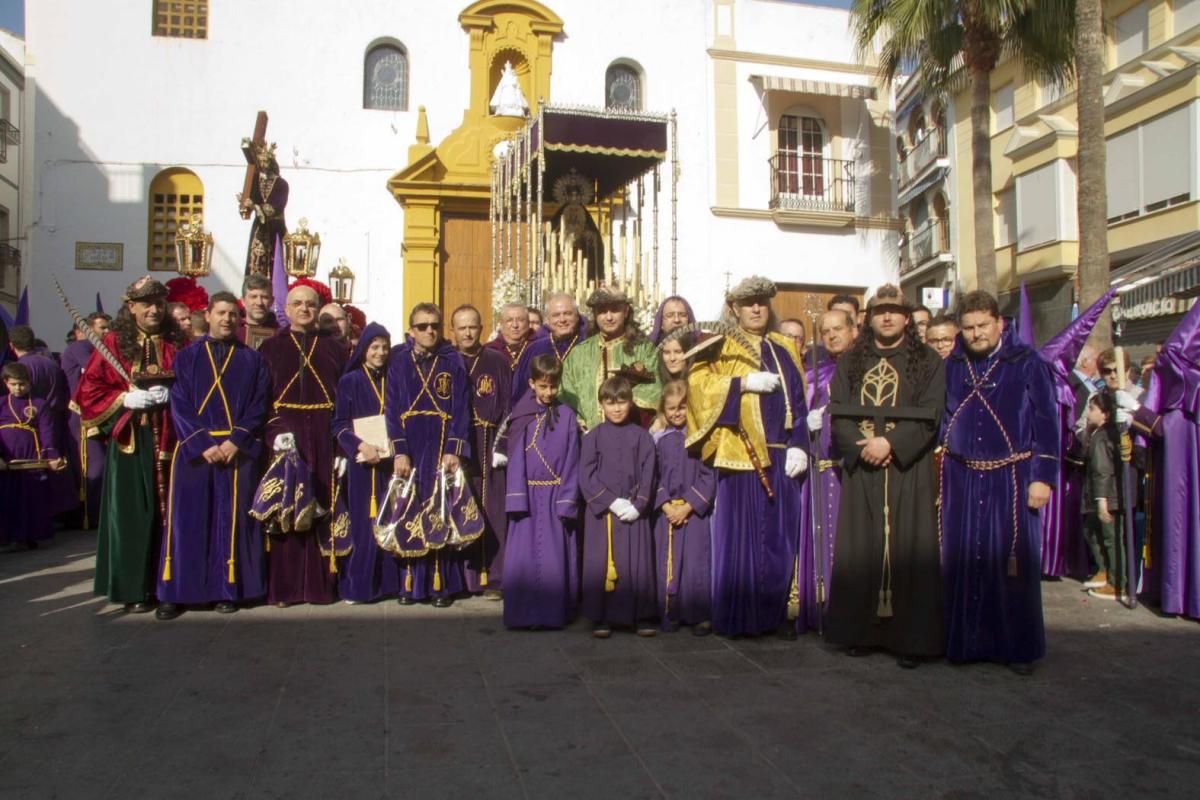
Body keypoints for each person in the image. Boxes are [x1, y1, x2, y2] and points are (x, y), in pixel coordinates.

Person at [826, 284, 944, 667]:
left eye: (895, 311)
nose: (887, 316)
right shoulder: (851, 361)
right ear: (869, 318)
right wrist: (863, 446)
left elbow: (932, 413)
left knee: (911, 550)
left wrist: (890, 443)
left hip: (907, 469)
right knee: (862, 549)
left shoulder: (928, 361)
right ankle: (860, 632)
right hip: (865, 469)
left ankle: (911, 640)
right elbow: (839, 412)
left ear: (907, 318)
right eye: (880, 311)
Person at [940, 290, 1058, 675]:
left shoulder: (1026, 363)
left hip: (1012, 477)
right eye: (969, 328)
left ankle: (1017, 649)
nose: (976, 335)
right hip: (961, 477)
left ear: (999, 323)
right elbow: (942, 419)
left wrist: (1042, 478)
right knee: (962, 562)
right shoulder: (952, 365)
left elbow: (1047, 423)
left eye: (983, 326)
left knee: (1013, 566)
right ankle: (965, 644)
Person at [686, 276, 809, 637]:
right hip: (741, 457)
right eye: (748, 303)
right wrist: (740, 384)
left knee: (779, 542)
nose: (756, 308)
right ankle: (738, 618)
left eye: (761, 302)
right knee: (739, 542)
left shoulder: (784, 347)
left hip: (783, 459)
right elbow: (697, 387)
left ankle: (772, 616)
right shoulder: (718, 346)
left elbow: (799, 401)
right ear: (734, 309)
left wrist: (800, 442)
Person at [155, 292, 271, 619]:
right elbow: (179, 403)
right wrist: (202, 442)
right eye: (221, 313)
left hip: (236, 450)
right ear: (207, 315)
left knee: (231, 521)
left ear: (241, 318)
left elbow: (258, 405)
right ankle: (176, 592)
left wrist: (237, 440)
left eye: (233, 314)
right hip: (196, 450)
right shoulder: (187, 357)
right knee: (186, 521)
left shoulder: (252, 359)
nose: (227, 320)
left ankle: (226, 588)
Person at [76, 276, 183, 613]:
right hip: (130, 442)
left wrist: (173, 394)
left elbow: (197, 387)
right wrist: (124, 398)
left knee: (168, 515)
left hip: (169, 439)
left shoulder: (176, 343)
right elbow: (88, 391)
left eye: (159, 303)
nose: (154, 309)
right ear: (131, 307)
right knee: (133, 515)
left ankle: (165, 584)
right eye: (146, 303)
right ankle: (133, 587)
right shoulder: (112, 344)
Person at [257, 284, 347, 606]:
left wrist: (343, 447)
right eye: (298, 303)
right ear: (288, 308)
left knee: (323, 507)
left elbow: (346, 402)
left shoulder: (335, 349)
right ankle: (285, 589)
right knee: (287, 509)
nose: (304, 309)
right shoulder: (270, 349)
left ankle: (319, 587)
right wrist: (275, 432)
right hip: (287, 436)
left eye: (310, 304)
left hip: (324, 434)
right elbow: (262, 400)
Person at [386, 303, 470, 607]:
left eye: (434, 325)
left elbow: (461, 409)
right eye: (422, 326)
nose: (429, 331)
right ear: (411, 331)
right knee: (410, 510)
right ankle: (411, 584)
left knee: (440, 511)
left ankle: (439, 584)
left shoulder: (453, 361)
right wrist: (399, 451)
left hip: (440, 442)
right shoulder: (398, 362)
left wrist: (453, 448)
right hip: (411, 442)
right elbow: (392, 410)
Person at [502, 353, 580, 629]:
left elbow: (572, 458)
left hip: (555, 496)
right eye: (543, 386)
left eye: (553, 386)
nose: (549, 392)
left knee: (553, 559)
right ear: (531, 383)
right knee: (523, 560)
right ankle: (522, 616)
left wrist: (567, 499)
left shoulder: (568, 416)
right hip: (527, 498)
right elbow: (515, 460)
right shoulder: (521, 415)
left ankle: (551, 615)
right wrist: (516, 498)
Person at [579, 376, 658, 638]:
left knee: (637, 564)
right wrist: (610, 500)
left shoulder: (642, 437)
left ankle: (641, 615)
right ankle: (601, 617)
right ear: (601, 404)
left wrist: (639, 505)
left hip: (634, 510)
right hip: (604, 513)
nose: (616, 408)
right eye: (610, 403)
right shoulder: (593, 437)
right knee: (602, 563)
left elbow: (650, 473)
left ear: (630, 402)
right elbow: (585, 475)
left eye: (622, 402)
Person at [331, 322, 401, 603]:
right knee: (363, 524)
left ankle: (389, 585)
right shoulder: (351, 381)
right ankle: (359, 587)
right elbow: (338, 424)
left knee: (391, 519)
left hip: (390, 462)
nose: (381, 353)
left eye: (385, 347)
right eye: (374, 347)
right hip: (363, 463)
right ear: (363, 350)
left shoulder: (394, 377)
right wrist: (359, 445)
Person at [797, 308, 854, 633]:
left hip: (850, 473)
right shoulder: (813, 373)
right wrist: (807, 424)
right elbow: (797, 420)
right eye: (825, 331)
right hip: (819, 470)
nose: (832, 335)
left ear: (853, 329)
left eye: (838, 329)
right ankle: (818, 610)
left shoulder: (863, 366)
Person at [449, 305, 512, 598]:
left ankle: (493, 577)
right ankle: (461, 579)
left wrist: (503, 444)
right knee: (459, 507)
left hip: (488, 440)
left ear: (482, 327)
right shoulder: (446, 360)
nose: (467, 332)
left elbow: (509, 408)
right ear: (453, 331)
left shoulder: (496, 361)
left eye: (472, 326)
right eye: (461, 327)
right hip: (457, 444)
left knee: (492, 510)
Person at [653, 379, 715, 635]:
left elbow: (707, 475)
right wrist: (666, 505)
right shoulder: (658, 439)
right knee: (668, 563)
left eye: (682, 407)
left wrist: (688, 506)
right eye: (671, 408)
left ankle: (698, 615)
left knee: (695, 563)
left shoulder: (700, 438)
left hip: (693, 512)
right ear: (663, 410)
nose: (677, 413)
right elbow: (651, 476)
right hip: (666, 511)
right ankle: (671, 612)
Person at [562, 285, 660, 429]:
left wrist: (622, 408)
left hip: (631, 434)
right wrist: (578, 421)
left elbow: (655, 387)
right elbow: (565, 393)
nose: (608, 317)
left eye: (614, 310)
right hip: (587, 437)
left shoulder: (644, 349)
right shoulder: (578, 354)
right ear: (595, 315)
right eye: (602, 311)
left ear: (626, 311)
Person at [10, 324, 75, 518]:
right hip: (57, 418)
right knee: (58, 463)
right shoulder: (51, 363)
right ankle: (64, 511)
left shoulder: (21, 368)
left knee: (38, 468)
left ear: (12, 345)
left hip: (33, 424)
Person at [0, 362, 66, 550]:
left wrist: (51, 456)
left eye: (22, 384)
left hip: (31, 457)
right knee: (8, 498)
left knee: (29, 497)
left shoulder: (39, 403)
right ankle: (7, 538)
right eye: (13, 384)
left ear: (29, 383)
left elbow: (47, 431)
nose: (18, 388)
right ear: (6, 383)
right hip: (7, 459)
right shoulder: (2, 403)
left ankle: (28, 537)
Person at [61, 312, 111, 528]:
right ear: (86, 330)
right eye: (102, 328)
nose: (107, 332)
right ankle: (91, 516)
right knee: (94, 466)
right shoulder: (80, 347)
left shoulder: (96, 349)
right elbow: (101, 370)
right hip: (82, 417)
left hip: (97, 414)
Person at [1079, 392, 1124, 601]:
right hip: (1102, 495)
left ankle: (1117, 583)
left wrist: (1102, 501)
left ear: (1105, 414)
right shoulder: (1098, 434)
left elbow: (1102, 470)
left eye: (1092, 409)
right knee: (1092, 531)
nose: (1088, 413)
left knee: (1110, 539)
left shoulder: (1102, 437)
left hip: (1106, 496)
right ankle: (1105, 571)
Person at [512, 292, 587, 403]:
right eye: (556, 315)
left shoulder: (587, 346)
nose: (562, 320)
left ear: (577, 316)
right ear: (547, 320)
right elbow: (520, 392)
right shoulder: (534, 349)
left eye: (567, 313)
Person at [241, 143, 289, 276]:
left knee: (275, 261)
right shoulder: (256, 181)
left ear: (271, 162)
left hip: (275, 227)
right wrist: (246, 202)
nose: (263, 164)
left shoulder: (281, 184)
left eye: (266, 161)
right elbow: (252, 198)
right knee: (256, 258)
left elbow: (277, 206)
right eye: (261, 161)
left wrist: (257, 207)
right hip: (259, 227)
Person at [485, 303, 533, 373]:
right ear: (501, 324)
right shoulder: (489, 350)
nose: (515, 325)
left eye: (520, 320)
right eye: (509, 320)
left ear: (528, 323)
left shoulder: (537, 347)